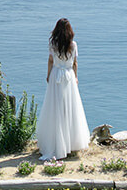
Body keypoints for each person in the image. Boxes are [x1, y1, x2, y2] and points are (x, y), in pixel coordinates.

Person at [35, 17, 90, 160]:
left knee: (54, 108)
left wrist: (48, 75)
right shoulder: (73, 45)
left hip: (56, 76)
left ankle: (56, 143)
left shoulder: (53, 44)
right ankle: (70, 143)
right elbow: (75, 63)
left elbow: (51, 61)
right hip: (69, 76)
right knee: (70, 108)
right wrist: (76, 77)